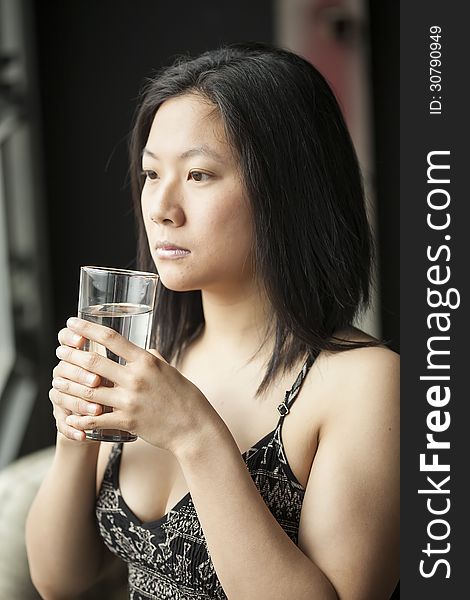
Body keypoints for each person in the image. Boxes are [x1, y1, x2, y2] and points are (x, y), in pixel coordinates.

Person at [25, 42, 399, 599]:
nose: (161, 207)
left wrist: (196, 436)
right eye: (152, 174)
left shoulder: (367, 383)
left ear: (287, 188)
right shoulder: (153, 358)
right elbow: (62, 581)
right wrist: (75, 433)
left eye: (199, 175)